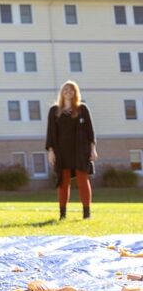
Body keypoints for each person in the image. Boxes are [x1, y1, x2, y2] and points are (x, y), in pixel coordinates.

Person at [45, 80, 96, 220]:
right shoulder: (54, 111)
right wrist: (50, 151)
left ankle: (87, 214)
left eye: (71, 90)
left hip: (81, 151)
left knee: (82, 181)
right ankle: (62, 215)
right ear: (62, 92)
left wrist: (93, 149)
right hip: (62, 152)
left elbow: (90, 131)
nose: (68, 92)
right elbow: (50, 132)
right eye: (65, 90)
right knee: (63, 182)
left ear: (75, 92)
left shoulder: (82, 109)